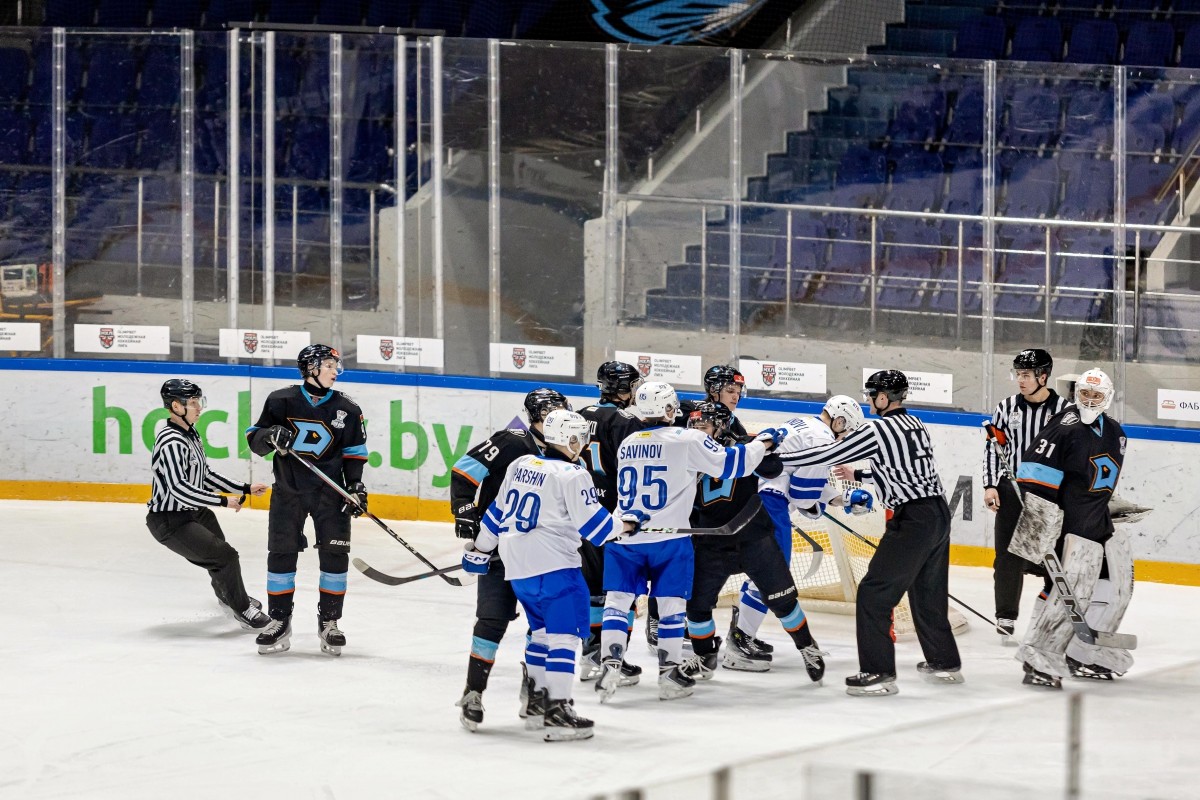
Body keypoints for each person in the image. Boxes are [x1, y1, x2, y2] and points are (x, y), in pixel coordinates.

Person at [596, 381, 784, 702]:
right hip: (668, 539)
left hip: (624, 535)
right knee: (671, 607)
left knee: (617, 603)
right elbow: (733, 464)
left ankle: (610, 664)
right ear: (670, 409)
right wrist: (764, 442)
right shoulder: (687, 438)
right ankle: (669, 673)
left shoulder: (629, 441)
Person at [778, 370, 962, 697]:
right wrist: (859, 475)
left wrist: (777, 457)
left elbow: (826, 454)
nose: (868, 401)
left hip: (913, 519)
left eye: (871, 395)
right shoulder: (915, 424)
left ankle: (878, 673)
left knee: (874, 593)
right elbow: (901, 468)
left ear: (883, 397)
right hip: (937, 514)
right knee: (928, 592)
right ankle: (944, 662)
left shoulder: (876, 429)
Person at [467, 409, 629, 741]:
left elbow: (495, 514)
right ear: (571, 440)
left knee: (541, 633)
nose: (583, 445)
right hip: (555, 568)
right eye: (580, 439)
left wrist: (480, 549)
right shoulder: (573, 474)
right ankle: (558, 710)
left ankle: (537, 703)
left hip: (517, 569)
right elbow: (597, 530)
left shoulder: (521, 464)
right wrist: (626, 525)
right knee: (564, 638)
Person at [448, 388, 570, 731]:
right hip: (499, 549)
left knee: (541, 626)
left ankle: (534, 691)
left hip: (541, 557)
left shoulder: (566, 453)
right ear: (540, 416)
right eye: (554, 413)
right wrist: (464, 507)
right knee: (491, 621)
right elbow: (464, 470)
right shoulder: (513, 440)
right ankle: (473, 692)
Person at [681, 401, 828, 684]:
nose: (697, 431)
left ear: (721, 428)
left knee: (783, 602)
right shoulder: (687, 454)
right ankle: (704, 655)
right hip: (710, 544)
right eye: (694, 425)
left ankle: (807, 646)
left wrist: (759, 447)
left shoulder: (746, 450)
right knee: (696, 607)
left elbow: (774, 468)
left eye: (704, 426)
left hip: (754, 540)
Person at [1010, 368, 1131, 688]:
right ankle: (1038, 654)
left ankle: (1083, 651)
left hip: (1097, 522)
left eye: (1096, 395)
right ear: (1077, 394)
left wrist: (1112, 506)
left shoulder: (1116, 432)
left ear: (1108, 398)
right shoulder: (1064, 425)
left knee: (1111, 587)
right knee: (1064, 589)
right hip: (1066, 525)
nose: (1089, 400)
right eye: (1085, 393)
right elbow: (1033, 475)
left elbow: (1097, 481)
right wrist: (1039, 528)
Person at [245, 344, 368, 656]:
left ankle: (329, 621)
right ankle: (279, 620)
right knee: (281, 555)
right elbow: (255, 439)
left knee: (335, 557)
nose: (334, 371)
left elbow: (355, 453)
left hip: (331, 494)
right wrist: (271, 435)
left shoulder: (348, 409)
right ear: (311, 368)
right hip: (289, 492)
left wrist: (355, 486)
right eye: (328, 365)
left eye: (335, 366)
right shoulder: (280, 400)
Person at [728, 395, 866, 670]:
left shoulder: (805, 425)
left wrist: (840, 499)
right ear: (839, 421)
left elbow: (798, 477)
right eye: (846, 431)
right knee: (772, 575)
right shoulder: (824, 440)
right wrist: (821, 505)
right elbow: (803, 497)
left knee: (762, 572)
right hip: (768, 504)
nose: (844, 438)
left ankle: (742, 633)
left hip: (749, 496)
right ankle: (739, 643)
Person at [147, 379, 271, 631]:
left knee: (219, 550)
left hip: (194, 511)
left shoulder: (190, 434)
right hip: (169, 520)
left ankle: (227, 595)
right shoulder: (171, 441)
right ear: (176, 406)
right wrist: (223, 501)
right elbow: (179, 489)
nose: (199, 407)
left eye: (199, 401)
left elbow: (204, 475)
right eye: (193, 403)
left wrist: (244, 488)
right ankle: (242, 608)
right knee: (225, 556)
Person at [984, 349, 1067, 643]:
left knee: (1052, 558)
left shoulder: (1065, 412)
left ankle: (1052, 614)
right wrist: (990, 485)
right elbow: (994, 448)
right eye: (1017, 374)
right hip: (1011, 489)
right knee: (1006, 558)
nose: (1020, 380)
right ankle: (1006, 616)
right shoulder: (1006, 408)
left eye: (1026, 375)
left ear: (1043, 377)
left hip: (1050, 493)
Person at [577, 362, 646, 684]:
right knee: (622, 590)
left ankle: (591, 654)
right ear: (623, 389)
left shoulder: (578, 415)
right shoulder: (626, 422)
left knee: (593, 589)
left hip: (582, 514)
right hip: (616, 519)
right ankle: (613, 659)